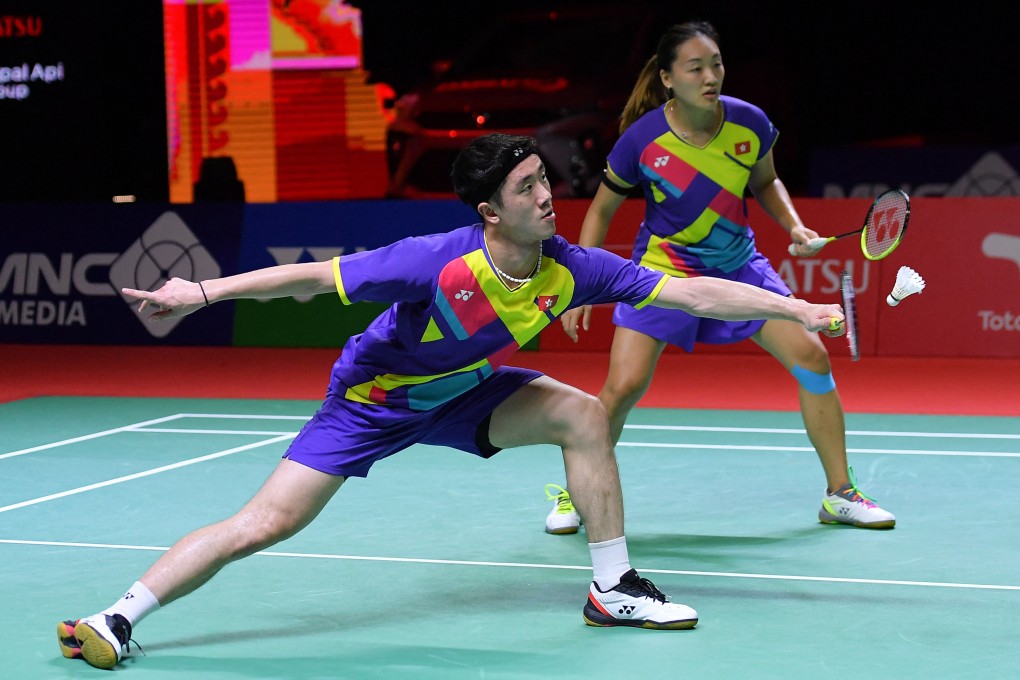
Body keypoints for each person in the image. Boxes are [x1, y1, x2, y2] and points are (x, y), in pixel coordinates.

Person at [56, 132, 846, 670]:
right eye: (528, 186)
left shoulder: (573, 267)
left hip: (465, 394)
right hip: (370, 404)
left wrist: (796, 309)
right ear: (489, 212)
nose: (549, 195)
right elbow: (310, 278)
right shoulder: (434, 263)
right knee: (263, 524)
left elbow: (694, 292)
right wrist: (200, 290)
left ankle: (613, 588)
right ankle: (118, 617)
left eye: (545, 180)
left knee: (584, 412)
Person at [544, 21, 895, 536]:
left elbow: (767, 181)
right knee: (623, 386)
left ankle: (840, 493)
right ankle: (575, 492)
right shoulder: (641, 141)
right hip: (662, 272)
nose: (711, 76)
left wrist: (795, 226)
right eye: (696, 67)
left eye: (716, 64)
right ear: (667, 78)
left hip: (738, 265)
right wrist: (584, 285)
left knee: (812, 358)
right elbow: (599, 213)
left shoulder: (750, 125)